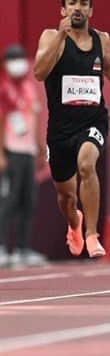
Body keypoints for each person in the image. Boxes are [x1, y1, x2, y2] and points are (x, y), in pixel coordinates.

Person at [33, 0, 110, 259]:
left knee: (87, 163)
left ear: (91, 10)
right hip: (60, 128)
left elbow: (108, 66)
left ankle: (92, 235)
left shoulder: (101, 39)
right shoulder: (51, 36)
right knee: (67, 197)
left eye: (83, 3)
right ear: (63, 10)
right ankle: (75, 223)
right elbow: (39, 72)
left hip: (94, 120)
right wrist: (61, 35)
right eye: (72, 3)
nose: (77, 8)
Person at [0, 44, 46, 267]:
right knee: (8, 201)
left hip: (28, 152)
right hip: (11, 152)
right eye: (12, 60)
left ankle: (22, 249)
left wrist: (38, 148)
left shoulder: (29, 87)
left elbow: (35, 119)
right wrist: (0, 154)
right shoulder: (3, 89)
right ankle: (1, 249)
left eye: (20, 59)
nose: (17, 64)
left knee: (29, 200)